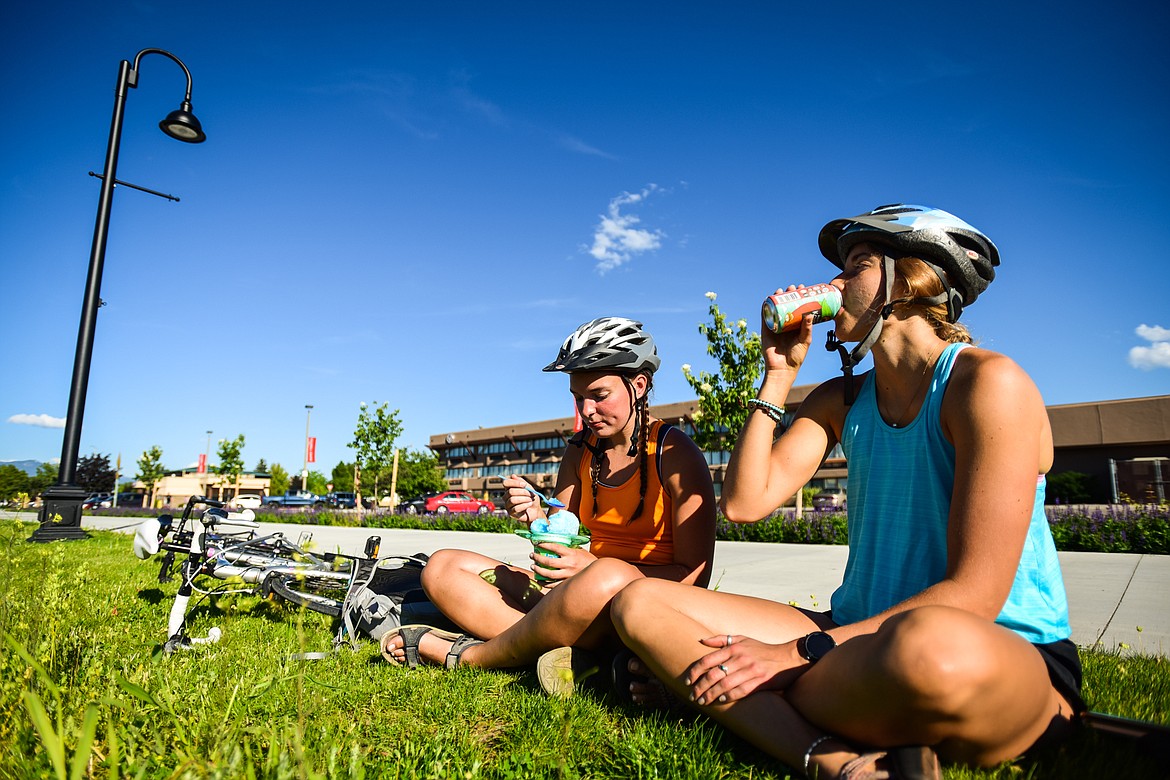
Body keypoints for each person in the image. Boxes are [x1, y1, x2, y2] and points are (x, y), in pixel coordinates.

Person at [610, 205, 1083, 779]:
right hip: (850, 634)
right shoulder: (841, 399)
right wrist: (777, 377)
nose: (832, 286)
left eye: (854, 266)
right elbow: (745, 503)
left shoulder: (986, 384)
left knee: (930, 649)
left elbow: (975, 594)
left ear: (912, 281)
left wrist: (790, 657)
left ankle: (705, 685)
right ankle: (837, 764)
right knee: (640, 602)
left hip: (988, 648)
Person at [381, 317, 717, 692]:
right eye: (578, 398)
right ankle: (575, 658)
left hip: (641, 605)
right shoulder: (580, 452)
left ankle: (468, 655)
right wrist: (536, 517)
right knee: (443, 566)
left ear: (638, 386)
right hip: (576, 598)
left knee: (606, 577)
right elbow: (561, 539)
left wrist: (595, 569)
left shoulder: (674, 454)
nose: (586, 410)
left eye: (599, 395)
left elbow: (694, 578)